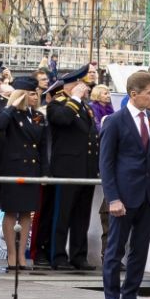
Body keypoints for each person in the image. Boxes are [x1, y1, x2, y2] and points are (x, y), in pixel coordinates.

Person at [100, 70, 150, 299]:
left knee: (140, 249)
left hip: (148, 196)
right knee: (115, 249)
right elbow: (106, 164)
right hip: (124, 197)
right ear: (134, 94)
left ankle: (130, 298)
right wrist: (113, 198)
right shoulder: (115, 121)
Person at [44, 67, 100, 270]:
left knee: (81, 215)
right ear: (72, 86)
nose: (85, 88)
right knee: (63, 215)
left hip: (85, 169)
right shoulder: (58, 104)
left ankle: (78, 255)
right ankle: (58, 255)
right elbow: (63, 119)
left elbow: (91, 137)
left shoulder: (85, 107)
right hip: (67, 169)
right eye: (81, 84)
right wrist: (74, 99)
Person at [0, 76, 46, 272]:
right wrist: (12, 106)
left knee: (26, 214)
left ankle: (22, 253)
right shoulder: (11, 114)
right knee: (11, 212)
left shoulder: (38, 116)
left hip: (32, 168)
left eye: (36, 93)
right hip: (14, 168)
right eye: (31, 94)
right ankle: (11, 255)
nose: (35, 97)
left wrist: (44, 173)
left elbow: (43, 146)